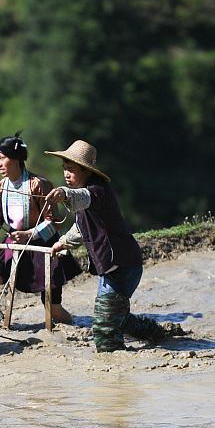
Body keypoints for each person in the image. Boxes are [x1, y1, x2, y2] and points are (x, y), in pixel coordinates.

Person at [45, 140, 172, 352]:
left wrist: (65, 194)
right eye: (64, 169)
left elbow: (83, 198)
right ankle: (156, 334)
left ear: (86, 171)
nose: (66, 174)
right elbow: (80, 227)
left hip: (122, 265)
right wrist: (63, 242)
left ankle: (114, 369)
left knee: (104, 327)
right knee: (115, 318)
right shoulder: (84, 193)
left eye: (72, 170)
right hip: (113, 266)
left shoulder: (97, 191)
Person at [0, 132, 82, 326]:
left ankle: (77, 329)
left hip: (43, 247)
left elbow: (53, 222)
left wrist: (29, 234)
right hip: (13, 244)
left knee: (54, 310)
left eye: (2, 158)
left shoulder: (39, 185)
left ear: (16, 159)